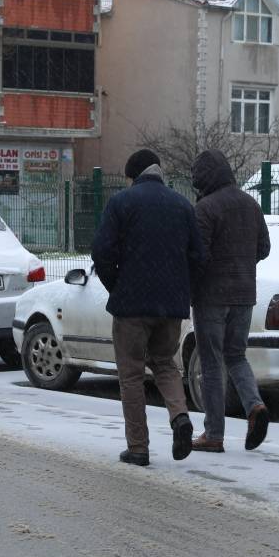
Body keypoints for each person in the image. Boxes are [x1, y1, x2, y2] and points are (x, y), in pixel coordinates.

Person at [91, 149, 204, 467]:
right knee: (166, 365)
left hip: (131, 306)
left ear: (134, 176)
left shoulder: (121, 203)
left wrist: (118, 285)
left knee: (131, 375)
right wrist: (179, 289)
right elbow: (199, 257)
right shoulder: (183, 205)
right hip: (170, 306)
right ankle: (180, 417)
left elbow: (101, 251)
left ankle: (138, 447)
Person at [189, 149, 271, 453]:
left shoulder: (205, 209)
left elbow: (199, 255)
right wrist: (241, 263)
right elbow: (264, 247)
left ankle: (214, 434)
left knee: (211, 363)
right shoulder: (251, 204)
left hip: (211, 296)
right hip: (245, 293)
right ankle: (255, 406)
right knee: (236, 356)